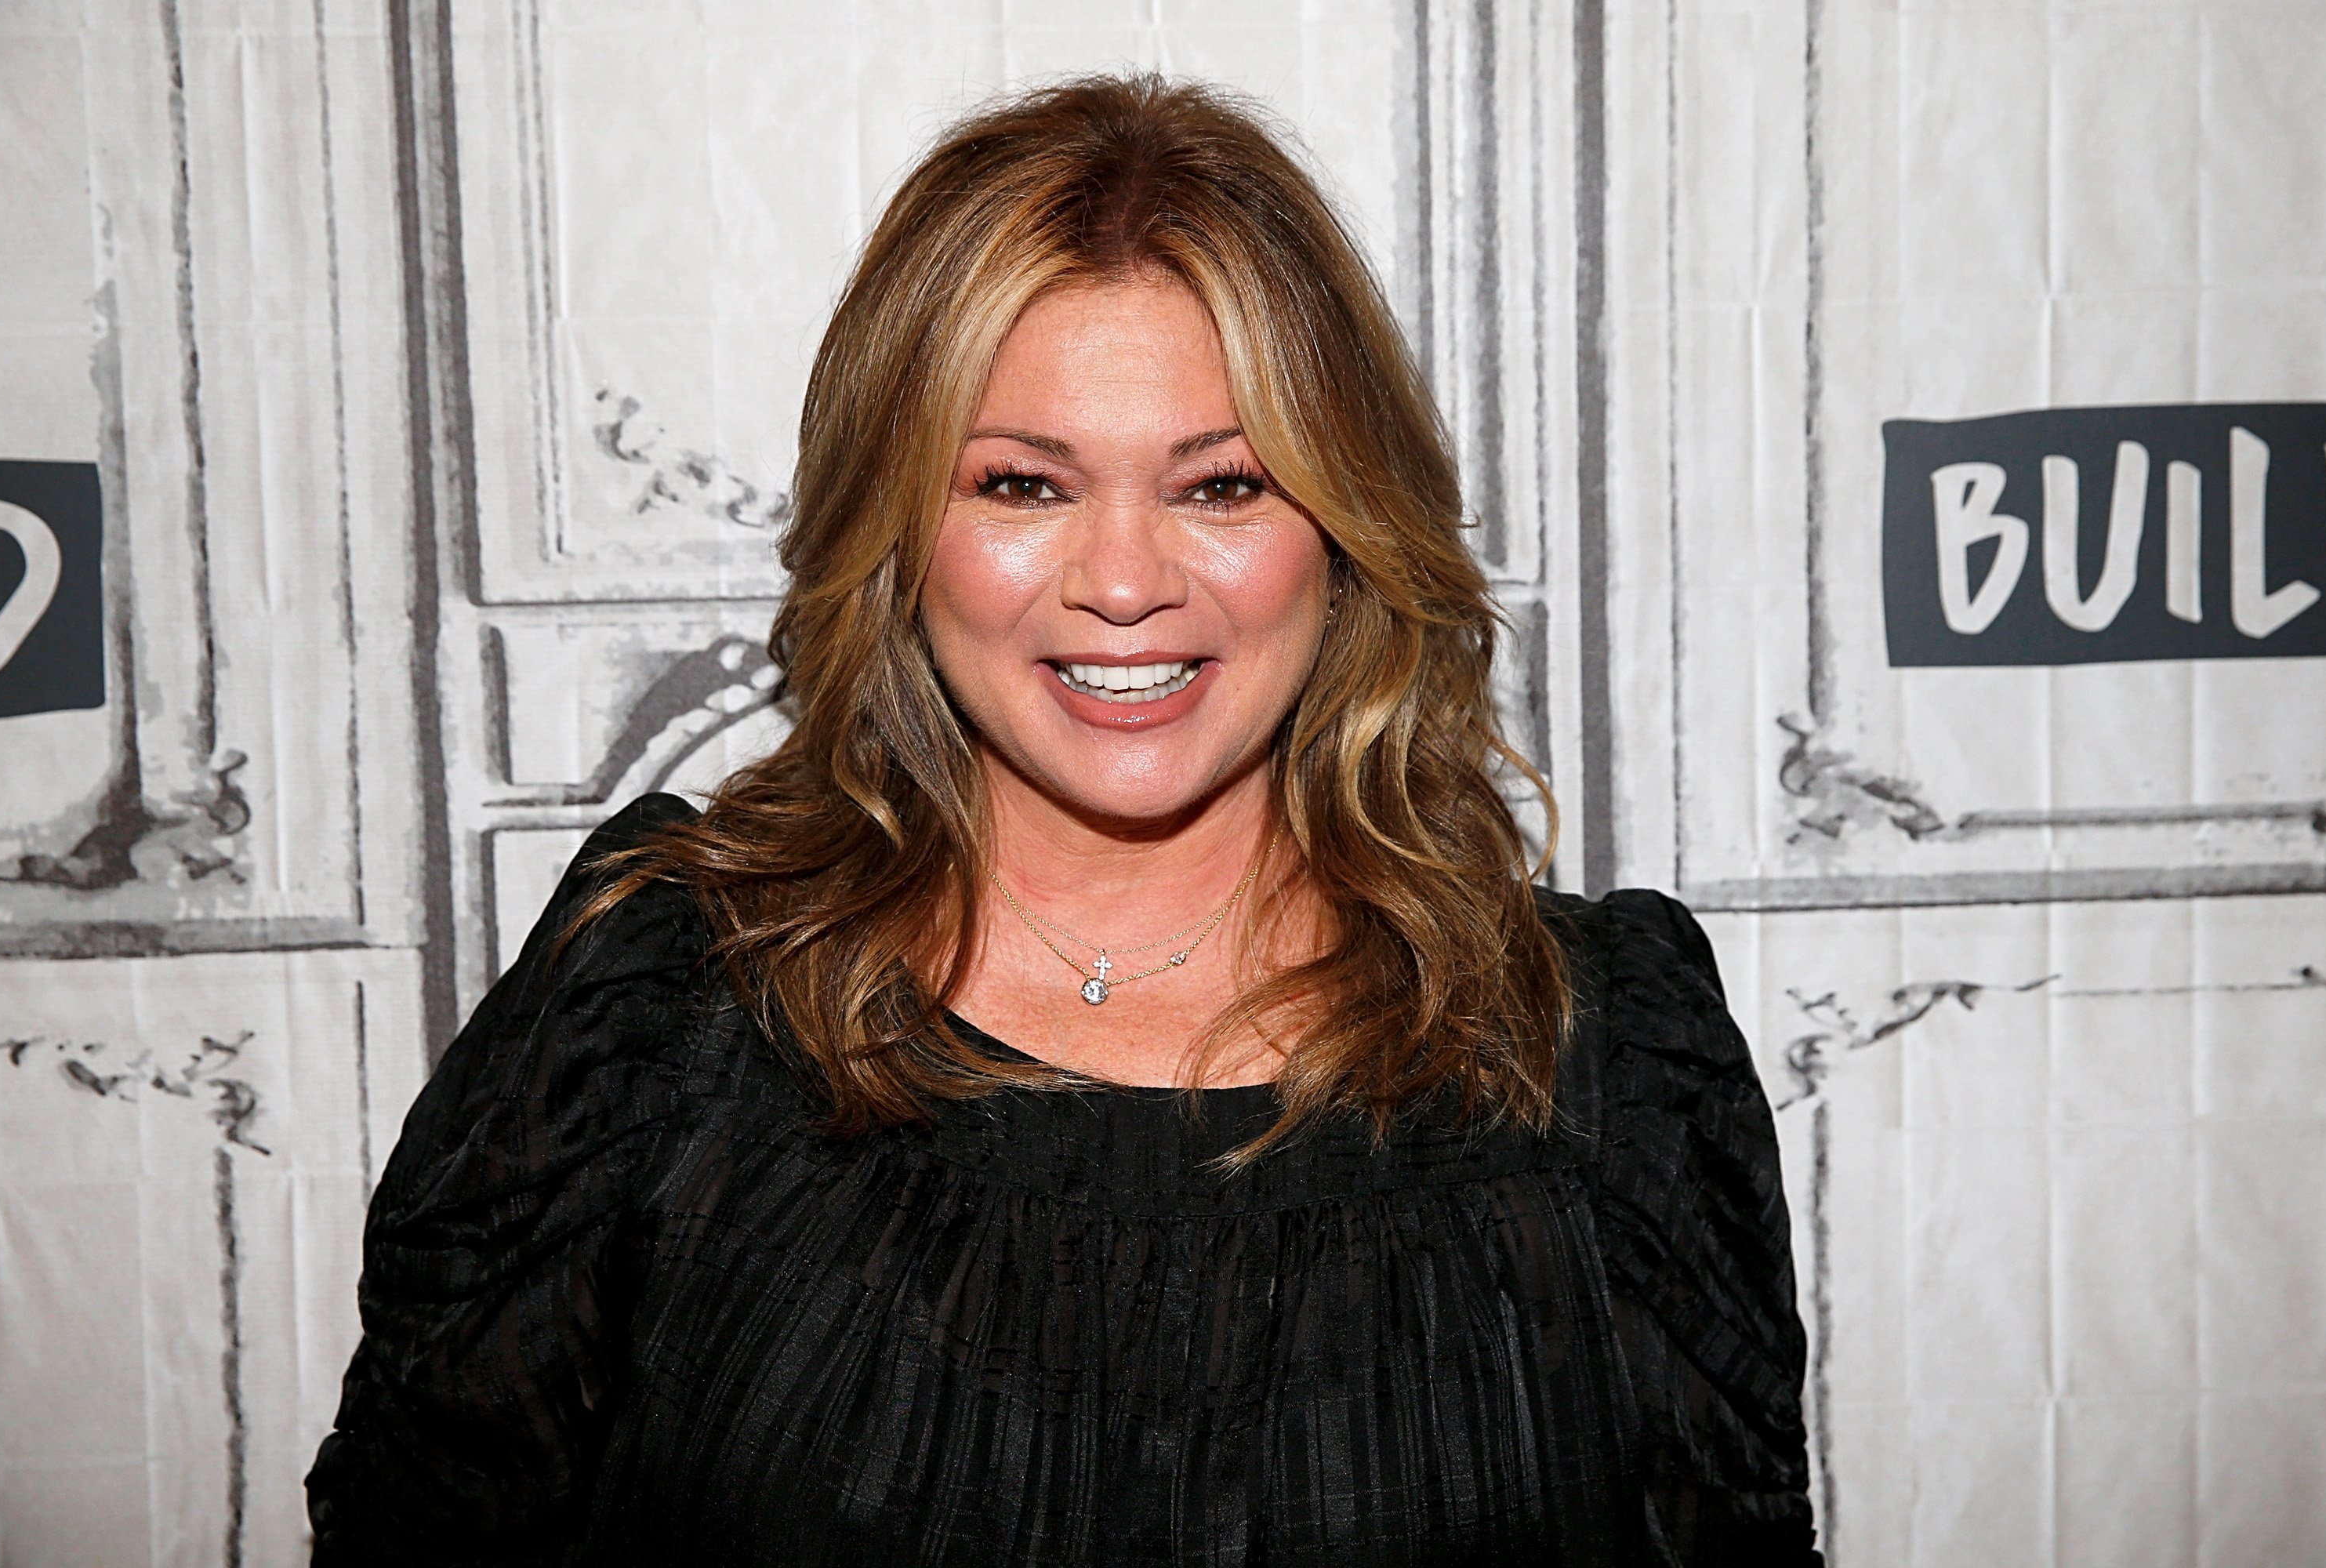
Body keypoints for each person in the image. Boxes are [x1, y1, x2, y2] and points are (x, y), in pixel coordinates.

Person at [307, 74, 1818, 1566]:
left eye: (1223, 486)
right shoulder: (657, 1014)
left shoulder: (1607, 1058)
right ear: (898, 528)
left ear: (1347, 531)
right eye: (1025, 485)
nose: (1125, 582)